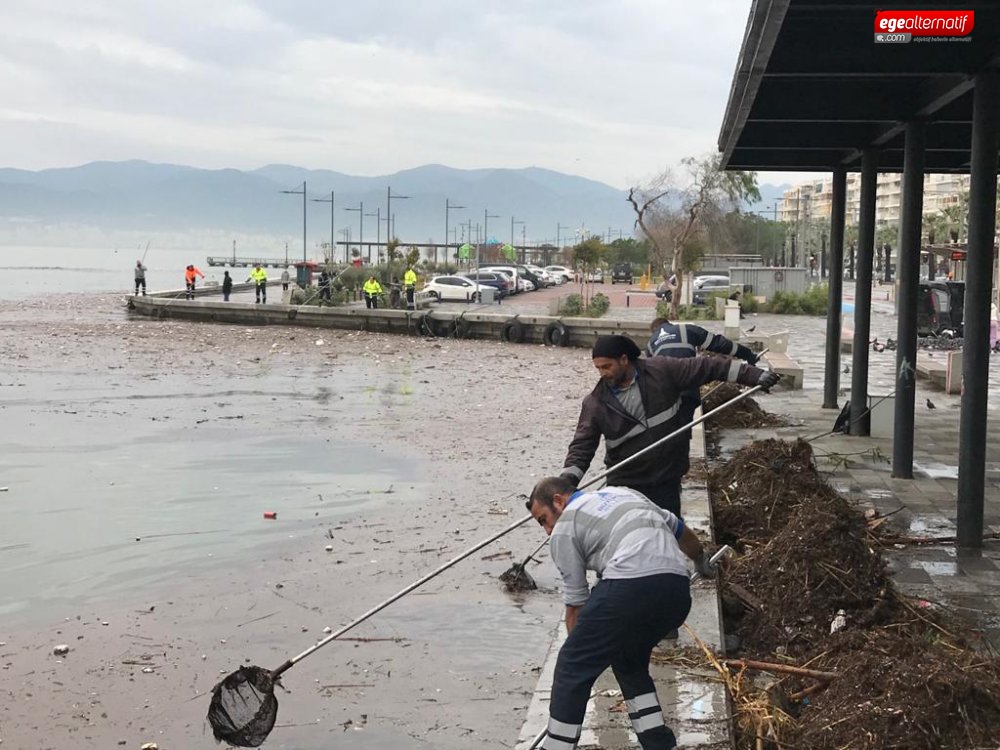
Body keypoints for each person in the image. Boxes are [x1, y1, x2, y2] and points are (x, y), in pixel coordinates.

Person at [526, 477, 717, 750]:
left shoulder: (564, 527)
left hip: (629, 584)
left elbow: (576, 606)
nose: (546, 530)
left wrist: (584, 658)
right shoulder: (626, 494)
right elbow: (680, 530)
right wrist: (700, 559)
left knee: (571, 664)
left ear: (559, 500)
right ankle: (658, 743)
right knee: (629, 662)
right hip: (676, 591)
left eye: (543, 519)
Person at [561, 335, 778, 516]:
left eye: (607, 366)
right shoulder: (595, 403)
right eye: (598, 368)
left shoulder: (662, 371)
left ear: (624, 359)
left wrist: (755, 375)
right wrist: (567, 481)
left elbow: (709, 366)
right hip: (626, 484)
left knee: (669, 535)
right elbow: (582, 445)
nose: (602, 373)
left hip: (666, 478)